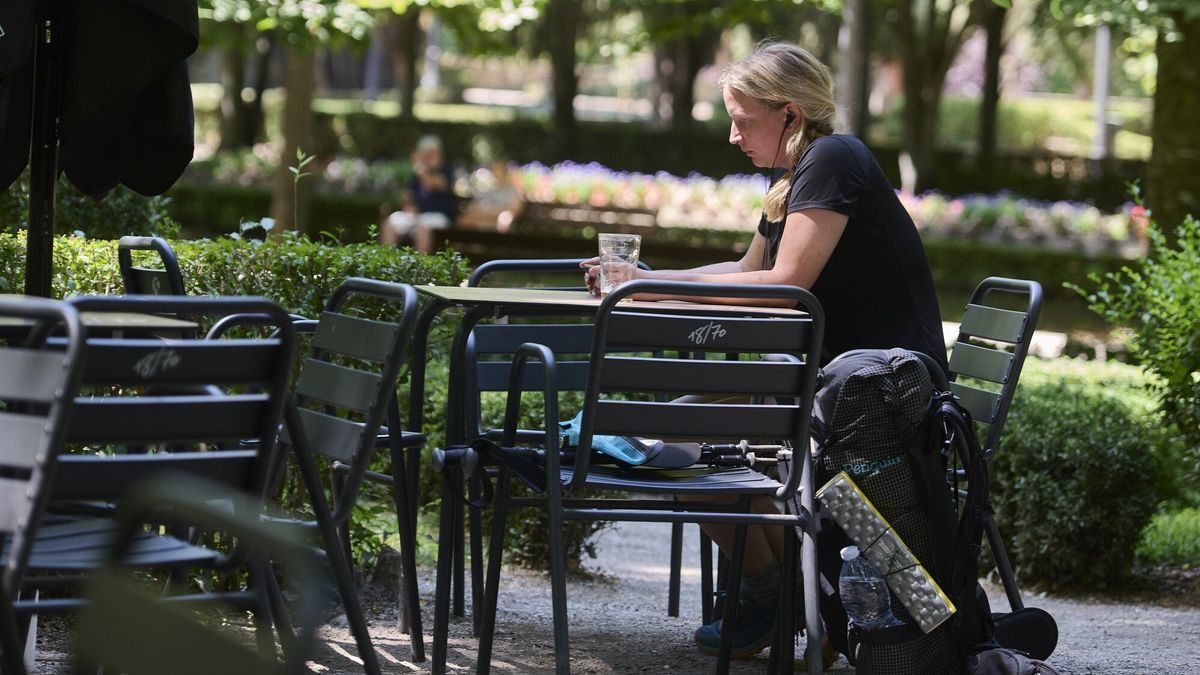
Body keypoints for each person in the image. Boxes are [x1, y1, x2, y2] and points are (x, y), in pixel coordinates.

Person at [581, 42, 947, 663]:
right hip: (822, 385)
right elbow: (749, 267)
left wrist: (659, 295)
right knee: (675, 428)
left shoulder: (832, 159)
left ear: (789, 115)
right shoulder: (796, 177)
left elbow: (786, 287)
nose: (732, 136)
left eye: (742, 120)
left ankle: (778, 600)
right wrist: (649, 281)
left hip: (874, 400)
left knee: (683, 430)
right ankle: (781, 594)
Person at [381, 134, 457, 254]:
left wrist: (420, 166)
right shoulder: (417, 173)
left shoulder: (446, 169)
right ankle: (387, 265)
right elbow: (407, 195)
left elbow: (434, 184)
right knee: (389, 223)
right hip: (417, 216)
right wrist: (407, 203)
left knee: (423, 228)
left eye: (431, 153)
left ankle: (420, 270)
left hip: (438, 217)